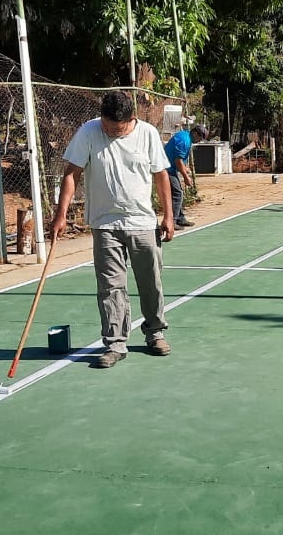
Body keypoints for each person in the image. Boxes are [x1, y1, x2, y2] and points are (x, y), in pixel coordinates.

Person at [50, 93, 175, 369]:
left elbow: (161, 175)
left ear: (132, 119)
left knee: (150, 282)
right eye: (107, 126)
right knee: (110, 286)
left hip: (142, 222)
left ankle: (155, 333)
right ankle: (115, 343)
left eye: (117, 129)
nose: (110, 132)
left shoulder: (148, 134)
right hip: (105, 223)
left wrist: (168, 216)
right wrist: (60, 214)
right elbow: (71, 173)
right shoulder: (89, 131)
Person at [164, 123, 207, 230]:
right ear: (195, 133)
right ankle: (172, 221)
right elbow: (178, 161)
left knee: (178, 192)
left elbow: (179, 159)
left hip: (170, 167)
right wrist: (186, 177)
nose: (200, 141)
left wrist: (185, 168)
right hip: (166, 169)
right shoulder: (184, 141)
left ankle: (180, 219)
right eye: (200, 138)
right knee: (177, 193)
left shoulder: (185, 137)